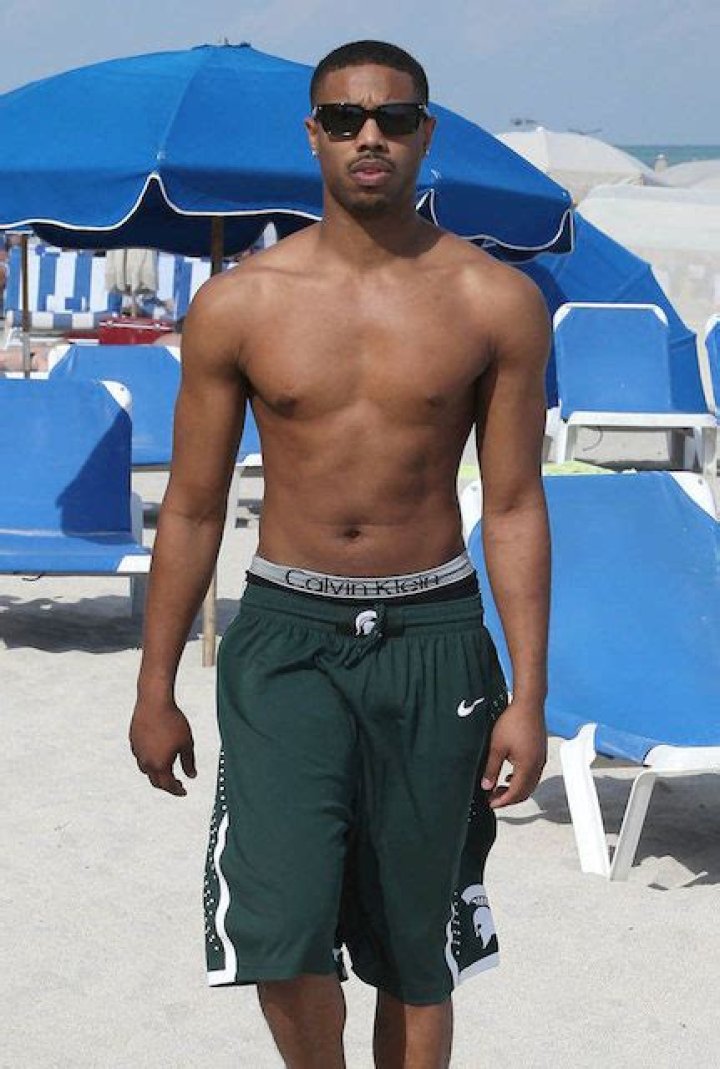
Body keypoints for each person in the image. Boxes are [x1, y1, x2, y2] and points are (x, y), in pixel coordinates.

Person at [130, 39, 550, 1069]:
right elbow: (191, 506)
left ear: (425, 135)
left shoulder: (494, 300)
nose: (371, 137)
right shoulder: (241, 302)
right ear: (312, 135)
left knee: (417, 944)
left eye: (394, 119)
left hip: (435, 635)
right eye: (346, 119)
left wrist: (529, 695)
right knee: (279, 926)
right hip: (287, 636)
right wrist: (154, 685)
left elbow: (511, 506)